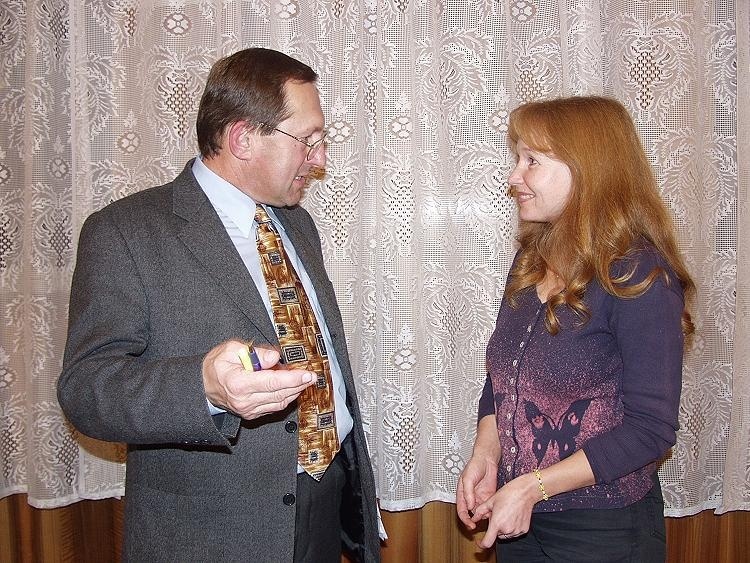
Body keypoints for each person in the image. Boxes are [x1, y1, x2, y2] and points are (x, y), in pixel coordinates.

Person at [58, 47, 380, 563]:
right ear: (242, 138)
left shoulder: (297, 223)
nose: (319, 160)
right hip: (214, 534)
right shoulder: (125, 232)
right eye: (308, 140)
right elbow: (86, 389)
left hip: (323, 501)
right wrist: (203, 387)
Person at [456, 96, 695, 562]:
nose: (514, 177)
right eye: (518, 159)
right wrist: (487, 452)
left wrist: (533, 487)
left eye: (532, 161)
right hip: (521, 515)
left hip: (603, 529)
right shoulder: (531, 263)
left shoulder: (639, 278)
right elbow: (505, 378)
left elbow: (650, 429)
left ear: (587, 171)